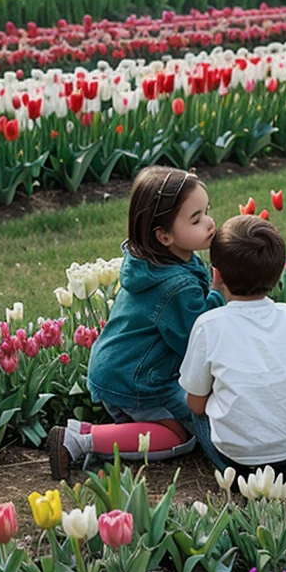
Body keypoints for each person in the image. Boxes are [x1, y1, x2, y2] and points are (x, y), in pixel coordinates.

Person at [48, 166, 225, 481]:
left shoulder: (161, 260)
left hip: (121, 370)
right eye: (196, 219)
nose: (210, 223)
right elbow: (194, 339)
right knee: (183, 435)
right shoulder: (174, 286)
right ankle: (79, 439)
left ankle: (114, 429)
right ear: (164, 236)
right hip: (137, 381)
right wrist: (218, 294)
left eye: (207, 212)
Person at [180, 215, 286, 483]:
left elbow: (196, 404)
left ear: (216, 274)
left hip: (236, 462)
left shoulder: (208, 325)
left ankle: (238, 465)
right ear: (279, 274)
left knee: (197, 417)